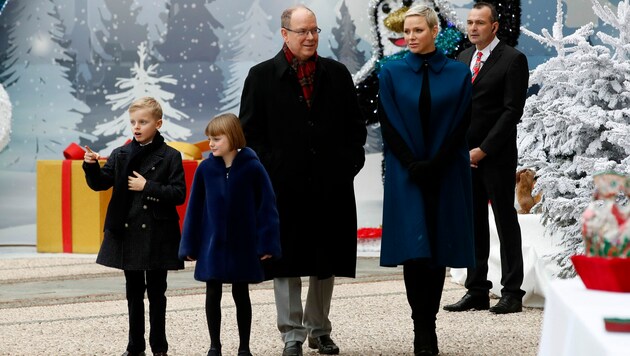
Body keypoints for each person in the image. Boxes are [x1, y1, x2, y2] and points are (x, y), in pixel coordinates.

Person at [238, 5, 367, 356]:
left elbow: (355, 131)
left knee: (326, 260)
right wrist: (273, 168)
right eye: (302, 31)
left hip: (331, 185)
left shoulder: (337, 74)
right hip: (282, 188)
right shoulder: (261, 76)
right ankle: (291, 334)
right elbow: (248, 135)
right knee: (286, 260)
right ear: (285, 34)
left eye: (314, 30)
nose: (310, 37)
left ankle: (319, 330)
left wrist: (346, 166)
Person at [377, 4, 475, 355]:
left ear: (435, 31)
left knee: (438, 250)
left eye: (419, 30)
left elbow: (462, 123)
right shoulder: (390, 72)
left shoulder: (458, 74)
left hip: (445, 172)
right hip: (408, 175)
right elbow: (388, 124)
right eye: (408, 30)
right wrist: (412, 164)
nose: (412, 36)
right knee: (414, 253)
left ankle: (429, 325)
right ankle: (421, 327)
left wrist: (436, 163)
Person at [443, 1, 529, 315]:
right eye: (470, 22)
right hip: (465, 157)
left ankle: (512, 293)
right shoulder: (463, 58)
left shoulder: (513, 59)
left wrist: (484, 149)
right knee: (474, 223)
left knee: (505, 222)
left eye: (480, 23)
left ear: (494, 26)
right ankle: (477, 290)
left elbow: (511, 112)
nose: (473, 28)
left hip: (496, 156)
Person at [83, 96, 186, 356]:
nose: (137, 127)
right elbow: (100, 183)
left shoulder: (171, 156)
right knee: (133, 294)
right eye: (133, 122)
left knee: (157, 294)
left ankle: (159, 348)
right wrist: (91, 166)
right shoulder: (121, 154)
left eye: (143, 121)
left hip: (158, 234)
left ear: (158, 123)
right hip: (128, 233)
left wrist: (147, 187)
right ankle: (135, 347)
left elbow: (179, 194)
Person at [178, 113, 282, 356]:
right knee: (212, 292)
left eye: (216, 139)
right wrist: (190, 246)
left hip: (243, 245)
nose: (211, 144)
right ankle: (215, 345)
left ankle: (244, 347)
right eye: (209, 139)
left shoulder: (253, 168)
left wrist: (266, 243)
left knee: (241, 292)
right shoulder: (205, 169)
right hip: (211, 246)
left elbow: (267, 206)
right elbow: (194, 208)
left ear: (233, 137)